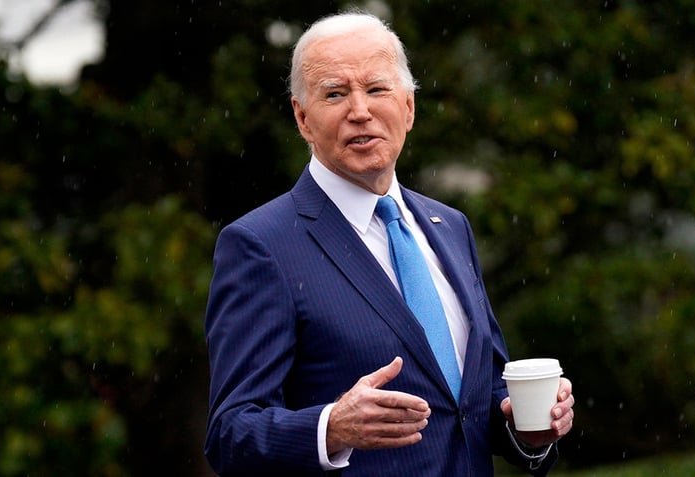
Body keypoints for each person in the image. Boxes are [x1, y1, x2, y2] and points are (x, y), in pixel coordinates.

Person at [204, 11, 574, 476]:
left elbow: (475, 406)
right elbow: (230, 434)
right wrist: (331, 427)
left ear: (409, 107)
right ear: (302, 117)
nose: (359, 110)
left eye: (377, 89)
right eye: (335, 93)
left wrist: (527, 429)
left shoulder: (450, 226)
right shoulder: (261, 245)